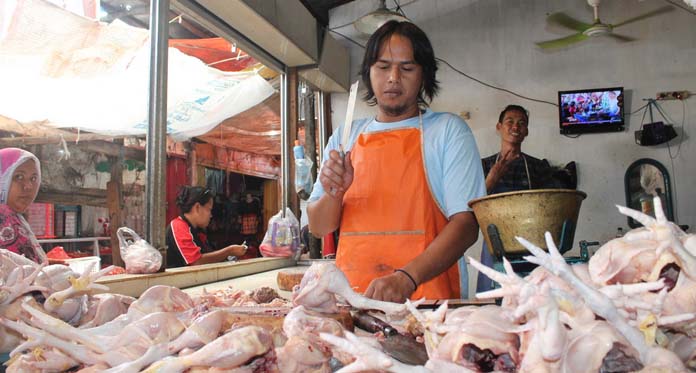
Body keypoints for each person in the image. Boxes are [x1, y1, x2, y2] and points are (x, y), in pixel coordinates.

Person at [307, 20, 486, 302]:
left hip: (429, 301)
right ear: (369, 73)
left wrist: (406, 278)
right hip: (354, 301)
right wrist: (335, 192)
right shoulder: (346, 137)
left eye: (407, 68)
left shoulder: (448, 131)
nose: (393, 77)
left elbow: (466, 225)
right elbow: (319, 226)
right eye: (383, 66)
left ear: (424, 75)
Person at [477, 104, 553, 291]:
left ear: (526, 131)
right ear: (499, 127)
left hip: (532, 241)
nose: (515, 127)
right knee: (494, 296)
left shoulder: (538, 167)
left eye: (521, 123)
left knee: (535, 294)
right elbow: (472, 204)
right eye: (510, 122)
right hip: (494, 241)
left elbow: (549, 205)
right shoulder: (484, 165)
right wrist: (492, 178)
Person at [166, 186, 247, 268]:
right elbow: (196, 262)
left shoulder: (196, 230)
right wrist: (229, 251)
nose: (211, 215)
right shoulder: (178, 226)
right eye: (209, 209)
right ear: (197, 207)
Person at [0, 147, 47, 263]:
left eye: (33, 178)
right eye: (19, 177)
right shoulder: (5, 217)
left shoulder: (14, 216)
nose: (28, 186)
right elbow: (27, 273)